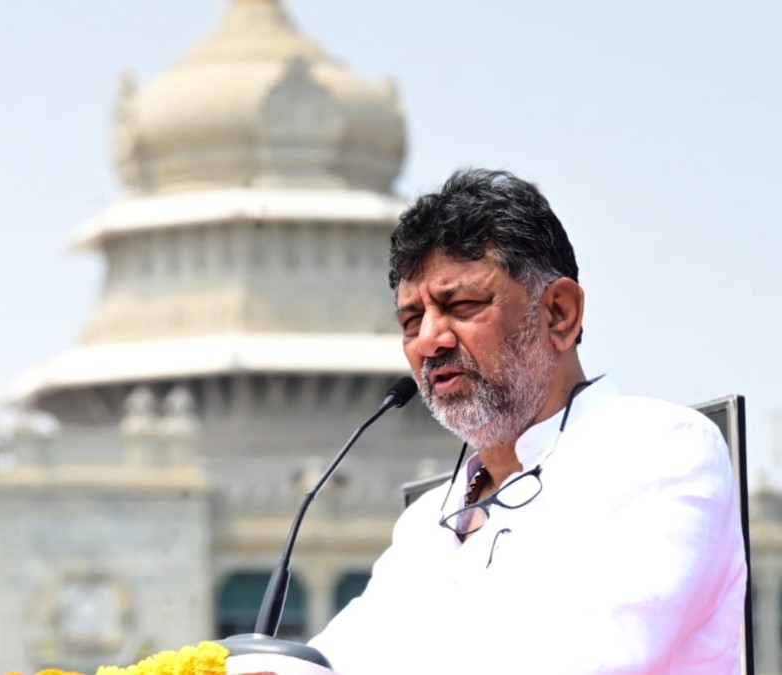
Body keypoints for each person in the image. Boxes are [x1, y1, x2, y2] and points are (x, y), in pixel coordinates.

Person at [308, 169, 746, 674]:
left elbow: (586, 660)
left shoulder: (658, 451)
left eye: (462, 305)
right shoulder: (430, 519)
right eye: (411, 321)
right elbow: (329, 660)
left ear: (559, 313)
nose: (430, 340)